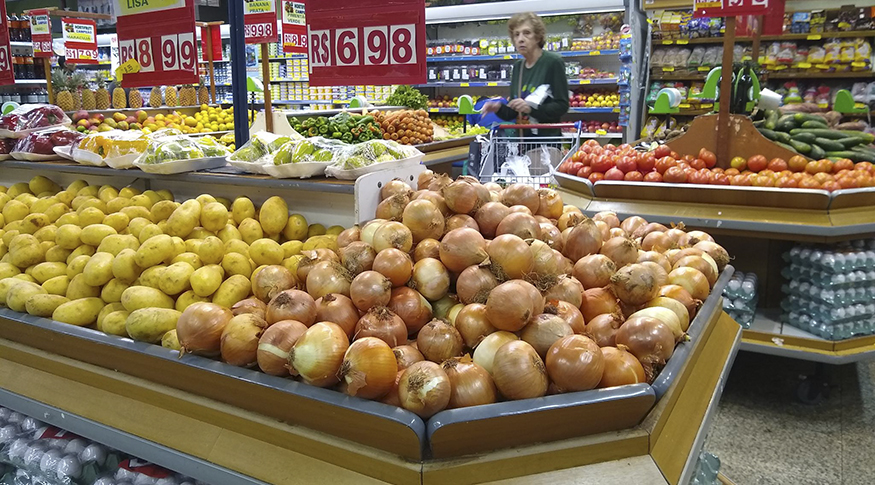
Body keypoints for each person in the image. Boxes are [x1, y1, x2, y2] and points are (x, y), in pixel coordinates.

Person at [482, 12, 569, 137]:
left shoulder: (553, 63)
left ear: (538, 37)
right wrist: (497, 108)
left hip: (546, 143)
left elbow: (562, 105)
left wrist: (530, 109)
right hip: (522, 143)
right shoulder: (518, 67)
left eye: (526, 33)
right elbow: (513, 112)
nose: (520, 39)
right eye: (516, 35)